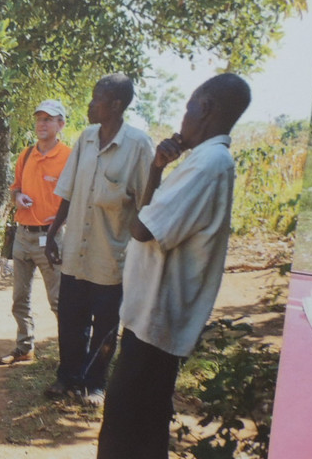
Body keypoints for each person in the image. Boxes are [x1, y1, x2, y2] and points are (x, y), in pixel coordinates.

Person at [97, 74, 251, 459]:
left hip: (158, 320)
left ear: (205, 108)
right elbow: (150, 219)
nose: (183, 118)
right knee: (141, 423)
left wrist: (153, 181)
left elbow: (142, 229)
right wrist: (157, 168)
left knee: (125, 427)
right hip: (150, 317)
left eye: (188, 107)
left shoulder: (209, 163)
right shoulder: (201, 160)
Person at [44, 73, 154, 407]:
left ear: (116, 105)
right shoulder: (86, 138)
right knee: (70, 319)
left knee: (105, 325)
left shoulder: (138, 145)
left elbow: (146, 204)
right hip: (76, 251)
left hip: (110, 256)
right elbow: (68, 190)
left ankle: (95, 384)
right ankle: (68, 377)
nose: (91, 105)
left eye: (97, 99)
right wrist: (53, 232)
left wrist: (142, 257)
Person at [0, 100, 71, 365]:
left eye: (48, 119)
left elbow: (76, 197)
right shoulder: (26, 154)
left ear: (61, 124)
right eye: (39, 118)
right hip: (23, 236)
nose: (42, 123)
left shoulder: (68, 157)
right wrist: (18, 197)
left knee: (59, 301)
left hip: (52, 239)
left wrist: (60, 223)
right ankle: (24, 347)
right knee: (20, 299)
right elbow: (15, 188)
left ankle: (70, 356)